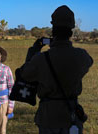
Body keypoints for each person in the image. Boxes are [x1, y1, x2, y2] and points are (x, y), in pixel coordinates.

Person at [19, 5, 93, 134]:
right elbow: (88, 62)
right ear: (71, 29)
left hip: (48, 117)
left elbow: (25, 74)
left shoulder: (41, 59)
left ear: (53, 29)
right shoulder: (81, 56)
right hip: (71, 116)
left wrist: (33, 50)